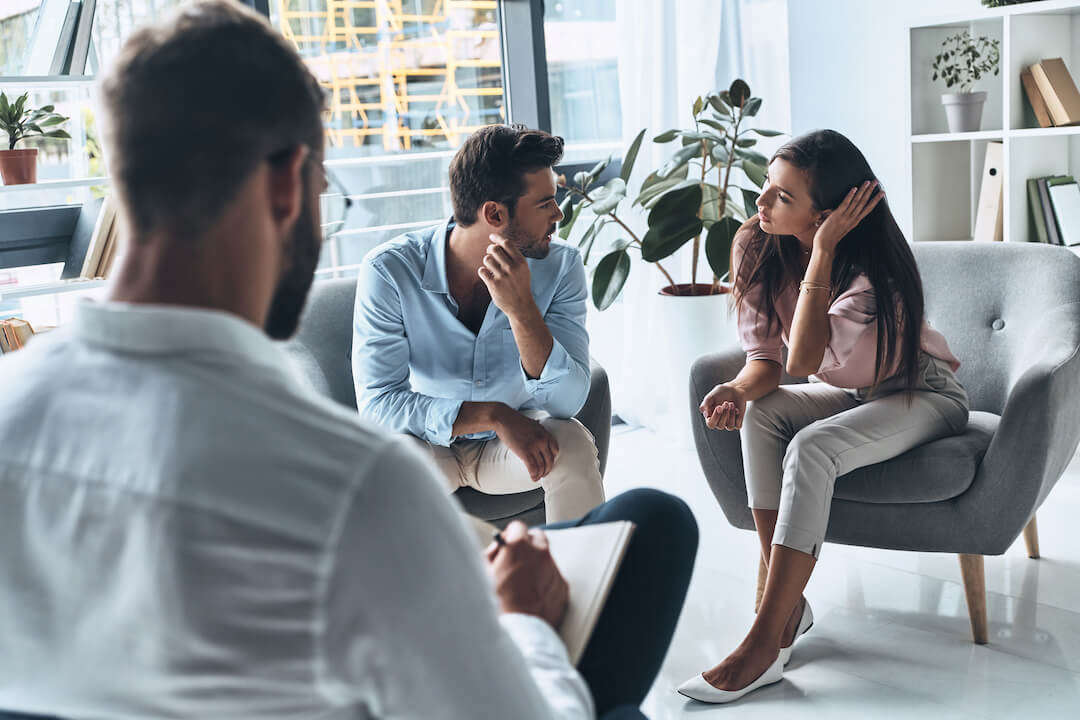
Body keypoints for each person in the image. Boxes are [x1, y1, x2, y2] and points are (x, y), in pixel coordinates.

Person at [0, 3, 697, 719]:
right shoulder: (354, 489)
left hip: (488, 464)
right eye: (324, 186)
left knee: (641, 516)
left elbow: (569, 390)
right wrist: (522, 622)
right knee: (652, 564)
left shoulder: (9, 408)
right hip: (437, 477)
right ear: (285, 184)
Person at [678, 129, 969, 704]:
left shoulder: (873, 274)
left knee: (811, 447)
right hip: (857, 396)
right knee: (762, 412)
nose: (761, 202)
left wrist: (824, 252)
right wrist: (737, 387)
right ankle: (786, 612)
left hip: (922, 394)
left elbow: (806, 358)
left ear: (829, 216)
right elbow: (769, 363)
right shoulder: (754, 244)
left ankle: (763, 641)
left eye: (783, 197)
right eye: (767, 184)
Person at [352, 124, 606, 523]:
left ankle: (587, 579)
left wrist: (522, 311)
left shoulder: (562, 265)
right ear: (494, 213)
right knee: (387, 464)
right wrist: (493, 415)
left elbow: (568, 401)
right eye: (545, 204)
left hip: (510, 452)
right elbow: (378, 403)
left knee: (571, 445)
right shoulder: (389, 271)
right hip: (430, 445)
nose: (559, 214)